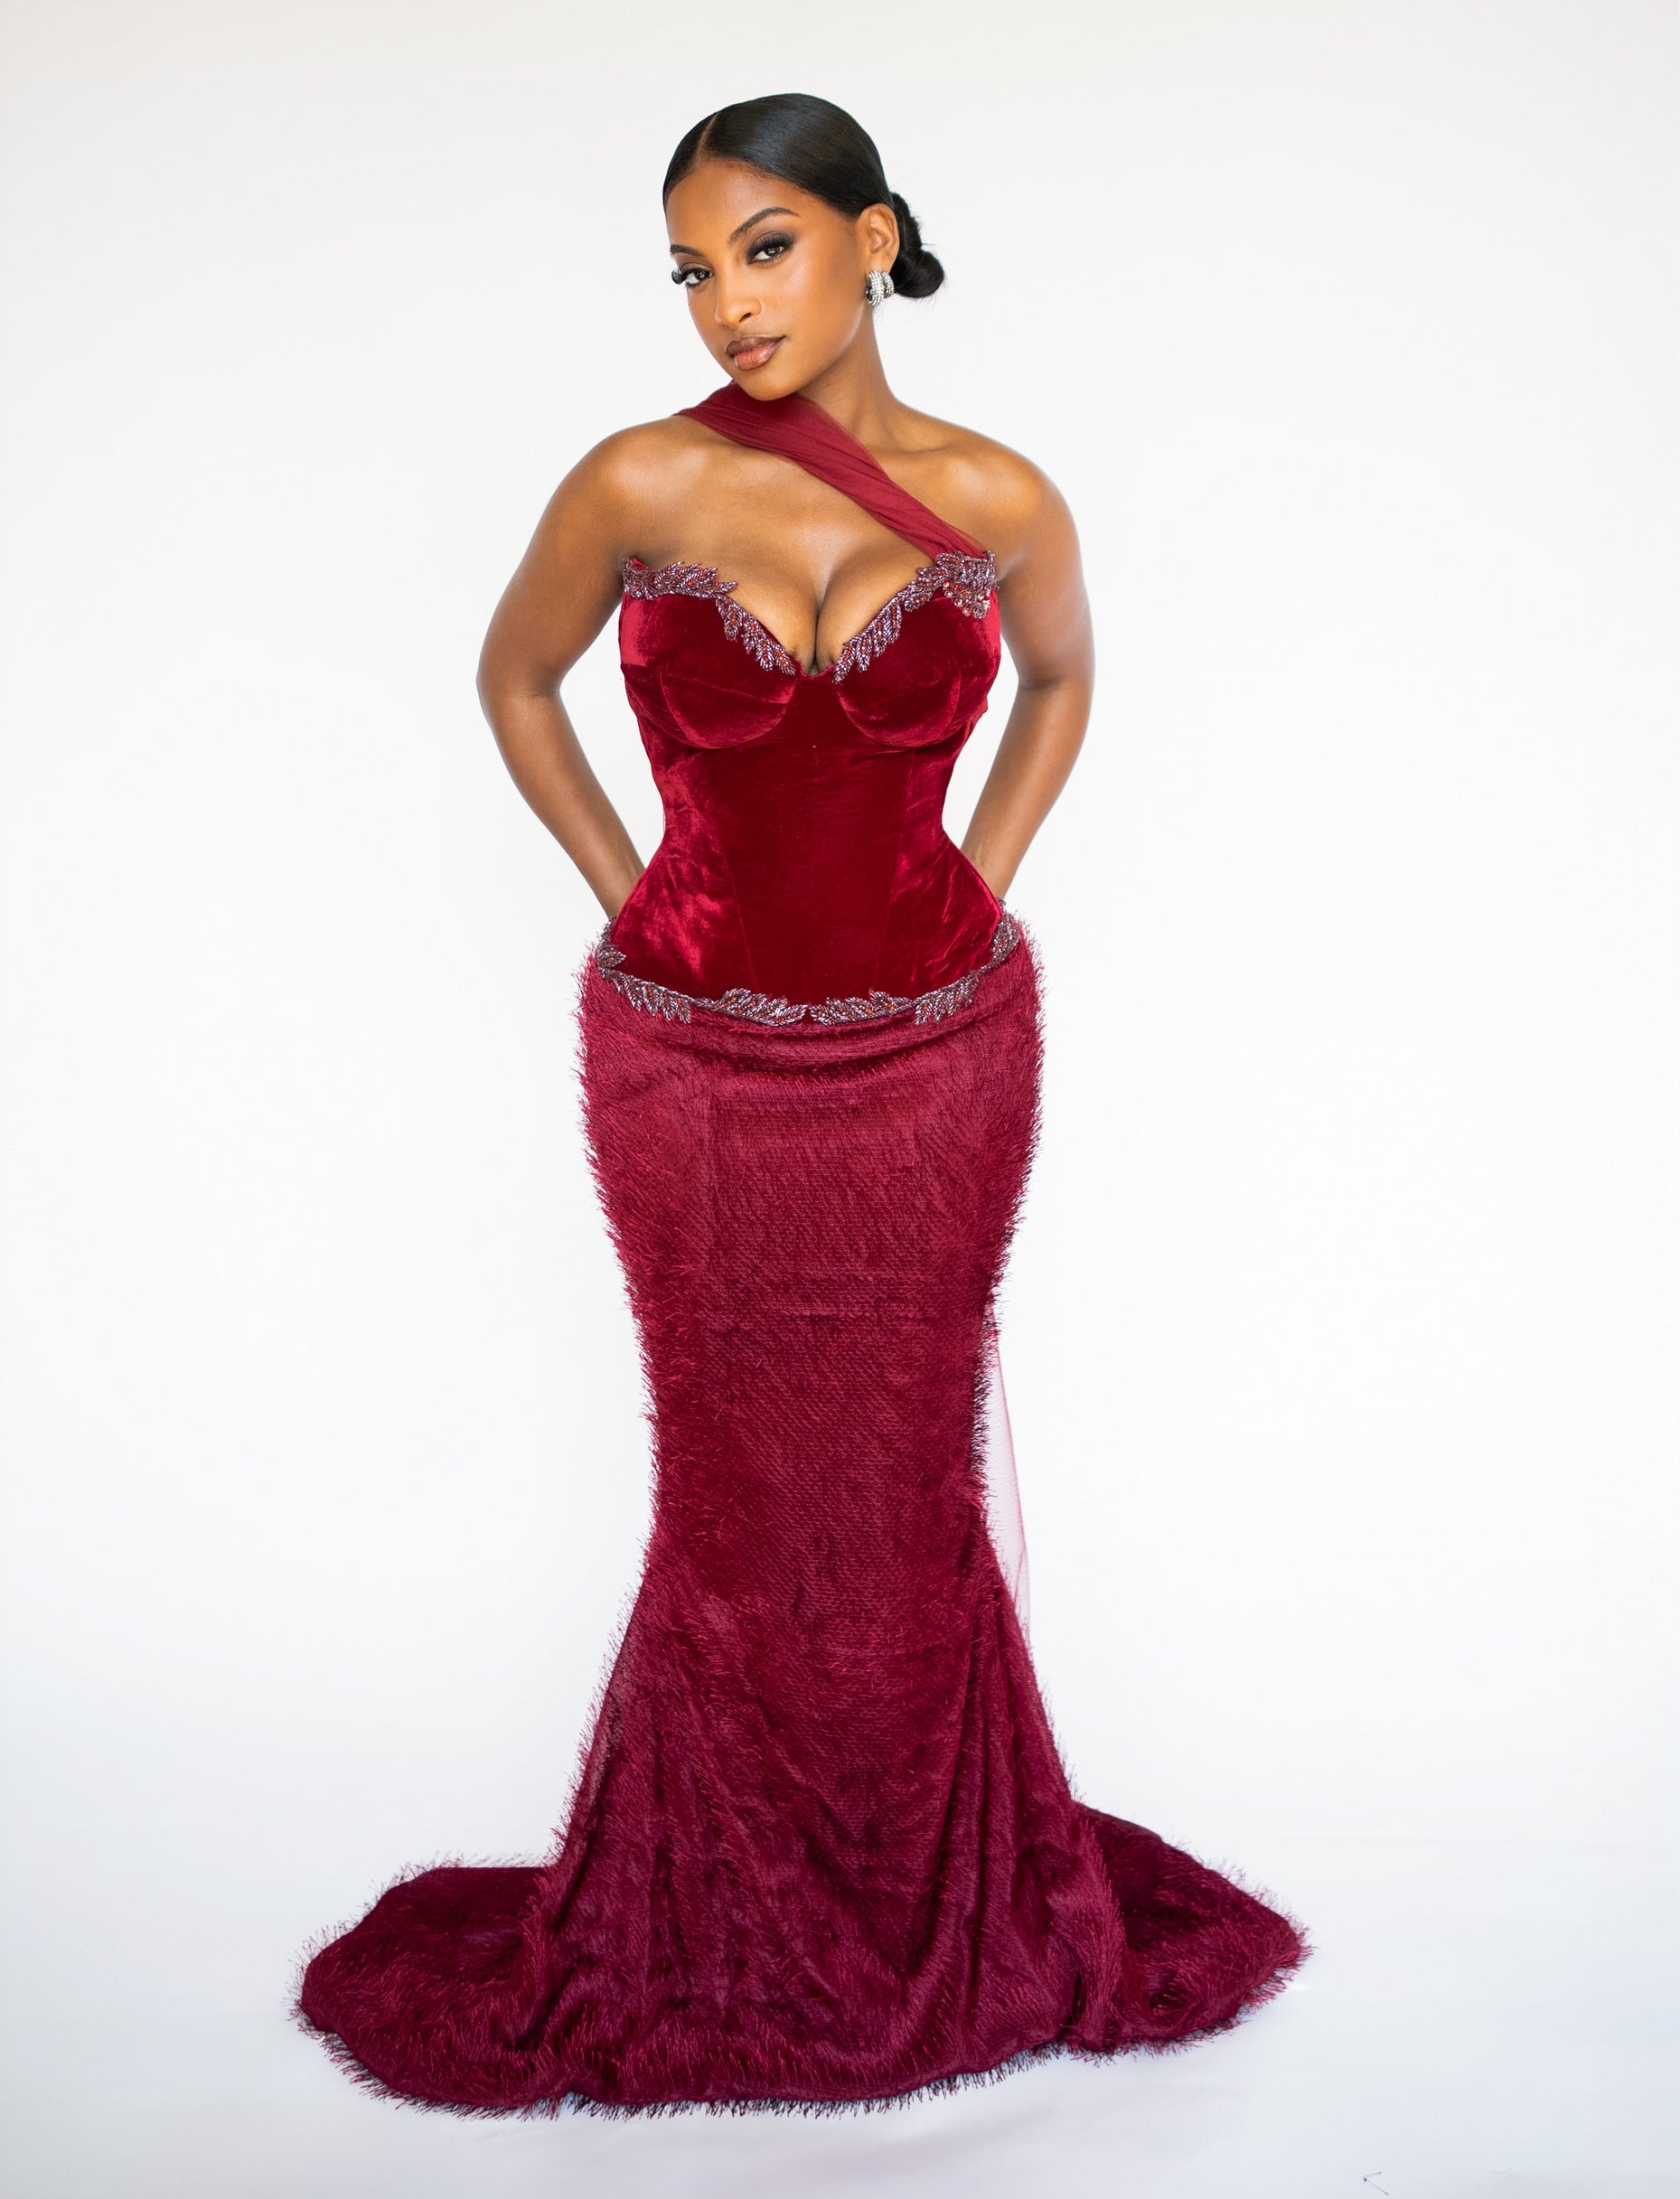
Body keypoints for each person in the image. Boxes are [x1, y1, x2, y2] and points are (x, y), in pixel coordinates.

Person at [297, 91, 1309, 2114]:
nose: (726, 305)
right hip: (690, 1067)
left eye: (762, 249)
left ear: (875, 239)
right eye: (692, 269)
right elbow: (511, 680)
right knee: (735, 1495)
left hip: (939, 1060)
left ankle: (936, 1899)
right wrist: (633, 894)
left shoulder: (998, 492)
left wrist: (978, 878)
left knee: (903, 1490)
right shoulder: (636, 478)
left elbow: (1062, 681)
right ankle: (706, 1916)